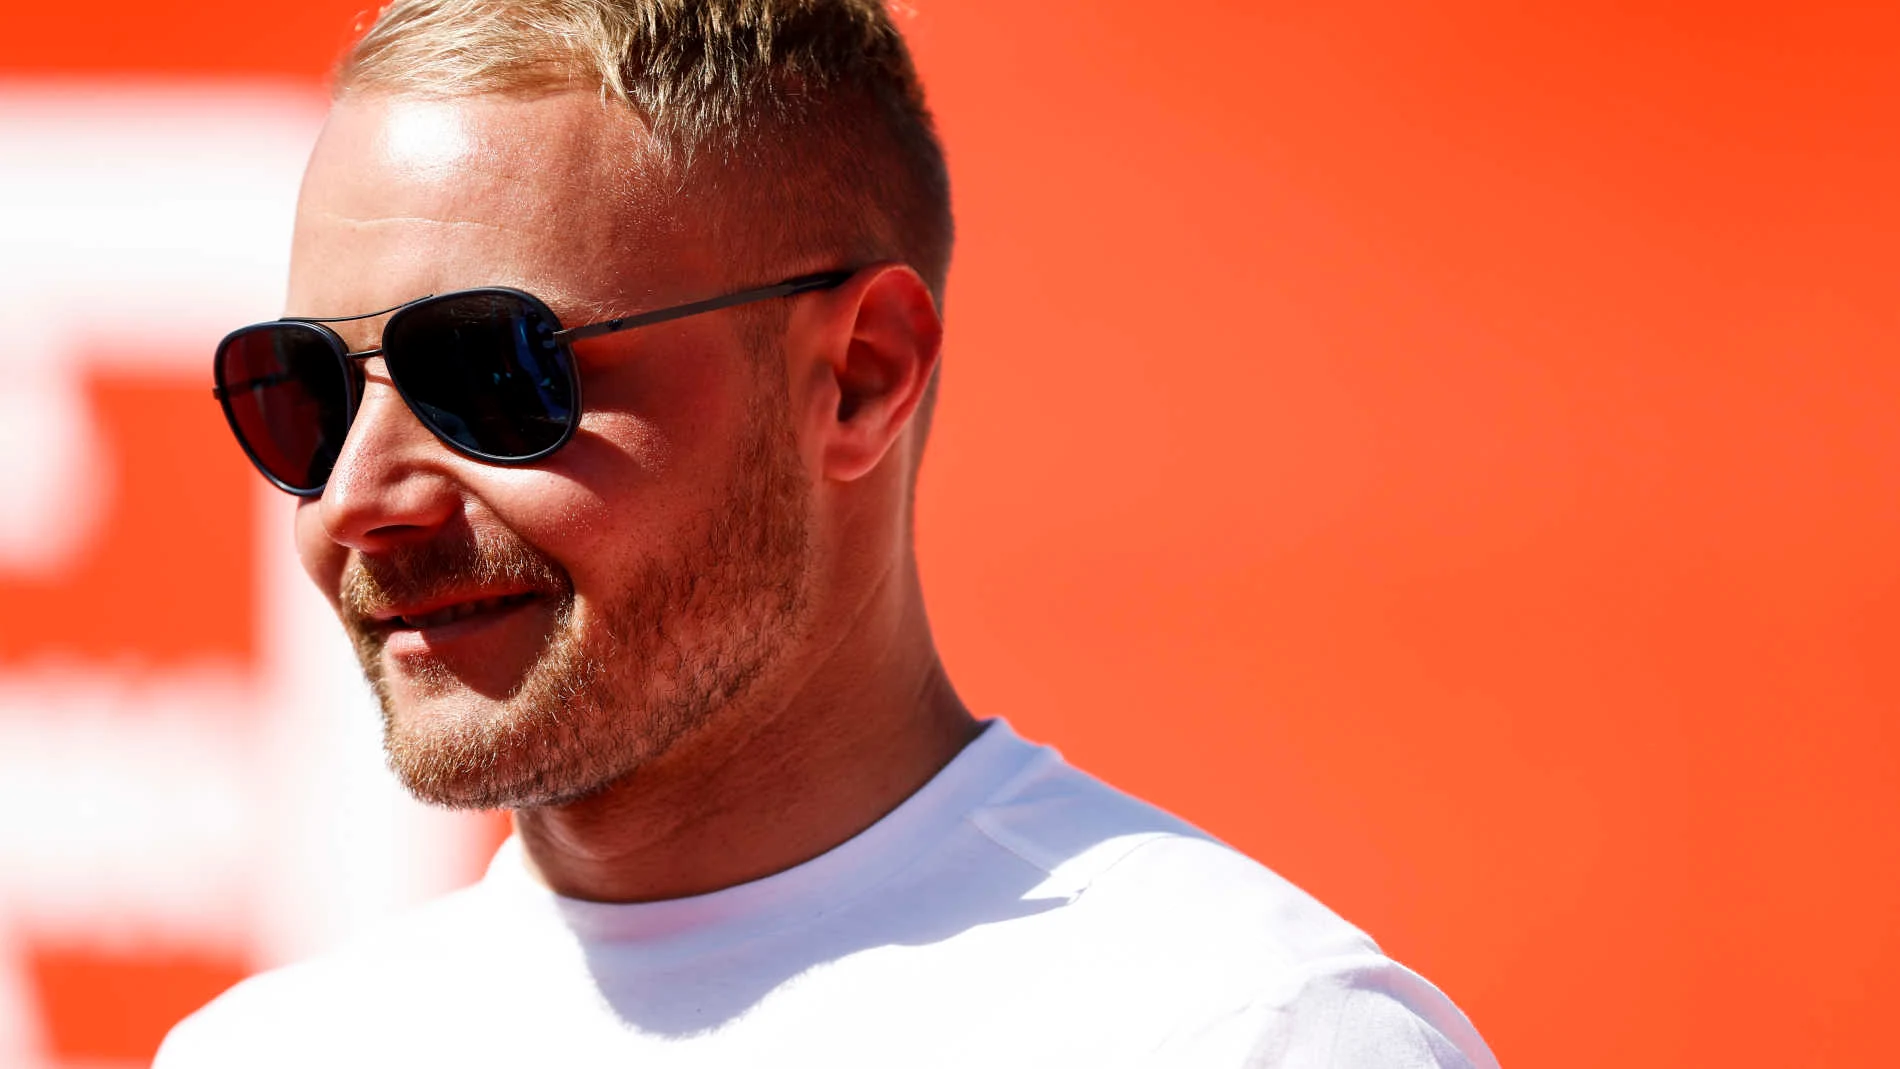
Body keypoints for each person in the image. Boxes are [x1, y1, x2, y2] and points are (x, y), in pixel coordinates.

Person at [163, 1, 1499, 1065]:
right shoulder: (266, 1051)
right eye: (305, 391)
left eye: (494, 371)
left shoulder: (1244, 1034)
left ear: (859, 376)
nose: (355, 498)